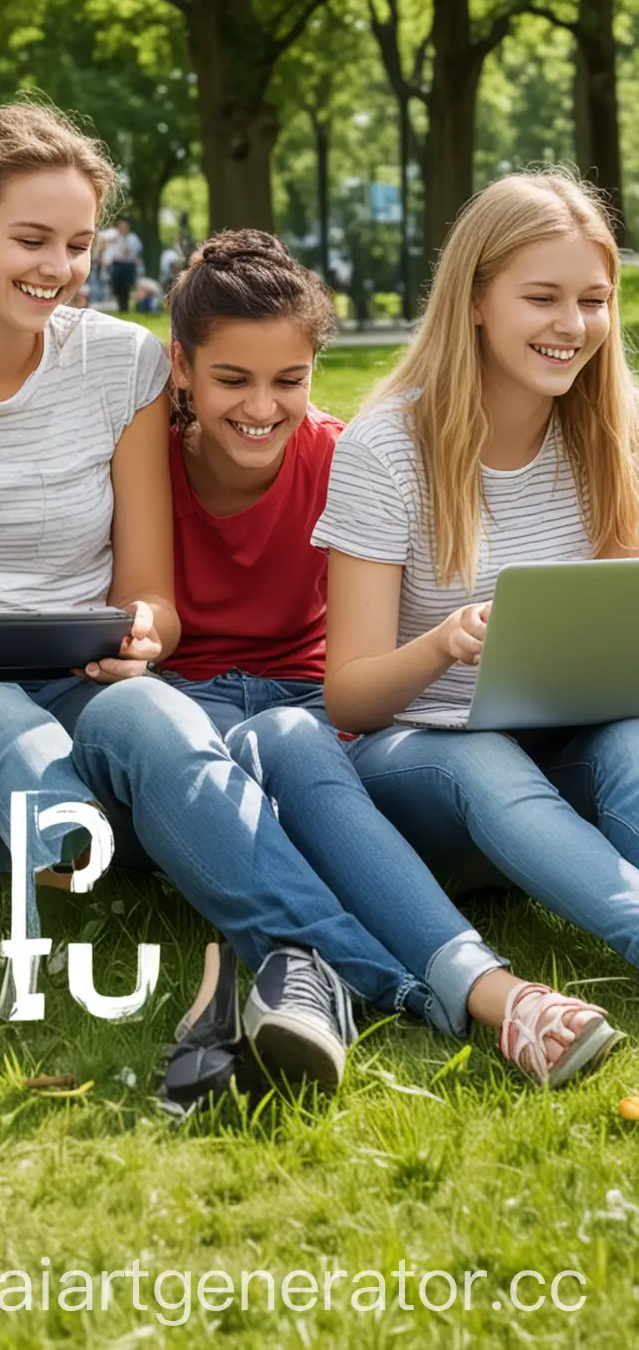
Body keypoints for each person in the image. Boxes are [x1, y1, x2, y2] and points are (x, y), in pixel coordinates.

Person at [0, 103, 429, 1092]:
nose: (58, 264)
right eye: (31, 238)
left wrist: (140, 632)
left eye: (79, 243)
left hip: (77, 678)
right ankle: (380, 976)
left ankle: (327, 975)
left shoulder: (121, 362)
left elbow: (154, 602)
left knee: (159, 718)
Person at [159, 231, 613, 1087]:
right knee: (273, 755)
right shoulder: (146, 450)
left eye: (289, 380)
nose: (262, 405)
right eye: (234, 380)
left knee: (302, 749)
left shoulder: (339, 452)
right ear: (181, 368)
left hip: (320, 706)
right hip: (219, 707)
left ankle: (342, 974)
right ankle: (470, 990)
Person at [243, 172, 639, 1012]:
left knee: (629, 745)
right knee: (480, 758)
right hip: (421, 766)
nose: (573, 326)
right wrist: (444, 643)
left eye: (594, 300)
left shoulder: (610, 429)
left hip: (561, 748)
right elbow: (348, 693)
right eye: (542, 298)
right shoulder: (388, 450)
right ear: (476, 301)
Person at [102, 217, 142, 311]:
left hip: (128, 264)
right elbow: (103, 237)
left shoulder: (132, 237)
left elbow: (138, 248)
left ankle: (125, 305)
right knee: (117, 284)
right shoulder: (113, 237)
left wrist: (131, 251)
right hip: (117, 264)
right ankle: (119, 302)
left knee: (127, 284)